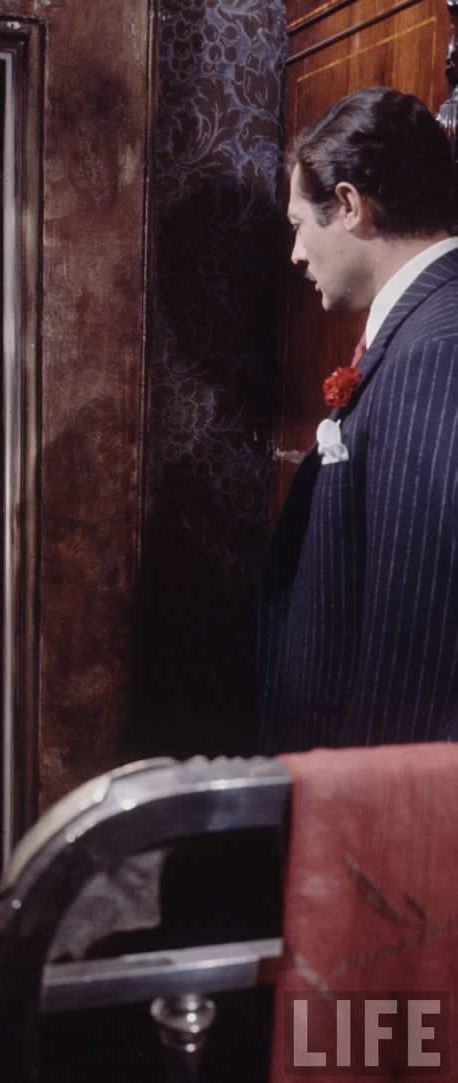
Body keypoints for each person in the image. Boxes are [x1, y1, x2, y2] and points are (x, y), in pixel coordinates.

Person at [259, 86, 458, 754]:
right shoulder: (420, 332)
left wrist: (365, 806)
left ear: (349, 206)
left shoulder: (438, 351)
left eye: (298, 224)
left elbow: (418, 641)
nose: (296, 252)